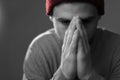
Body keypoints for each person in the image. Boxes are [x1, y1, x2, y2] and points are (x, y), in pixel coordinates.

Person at [23, 0, 120, 80]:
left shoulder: (117, 48)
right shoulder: (40, 50)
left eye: (86, 21)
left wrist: (88, 75)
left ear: (99, 16)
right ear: (51, 17)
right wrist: (64, 75)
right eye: (65, 22)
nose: (76, 30)